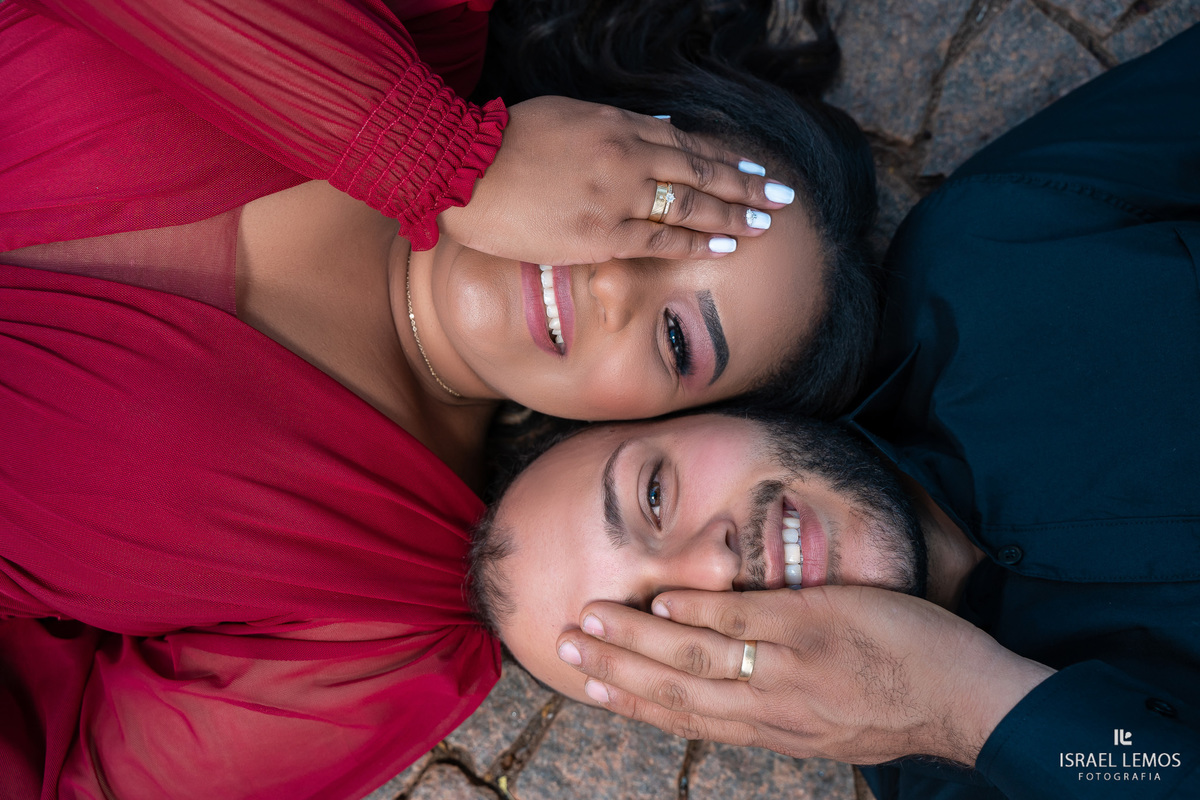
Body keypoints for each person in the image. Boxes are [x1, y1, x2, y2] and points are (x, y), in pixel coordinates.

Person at [0, 1, 877, 797]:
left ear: (668, 424)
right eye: (663, 206)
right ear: (611, 120)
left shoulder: (390, 620)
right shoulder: (418, 18)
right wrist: (443, 157)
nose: (613, 283)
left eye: (678, 339)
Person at [471, 23, 1200, 800]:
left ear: (708, 412)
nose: (711, 567)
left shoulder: (992, 248)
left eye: (654, 494)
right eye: (653, 625)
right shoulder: (975, 782)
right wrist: (967, 708)